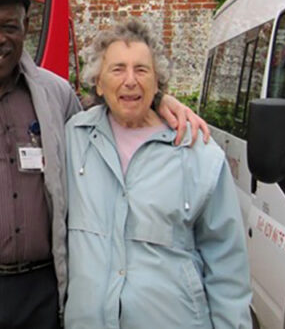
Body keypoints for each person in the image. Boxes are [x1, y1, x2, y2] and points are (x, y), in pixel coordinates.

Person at [0, 0, 210, 329]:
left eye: (8, 26)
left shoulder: (56, 96)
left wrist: (159, 100)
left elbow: (108, 117)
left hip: (39, 291)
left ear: (25, 27)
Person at [64, 20, 251, 328]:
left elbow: (228, 265)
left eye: (141, 70)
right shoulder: (74, 138)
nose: (130, 80)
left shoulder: (198, 153)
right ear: (98, 82)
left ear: (157, 83)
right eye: (117, 69)